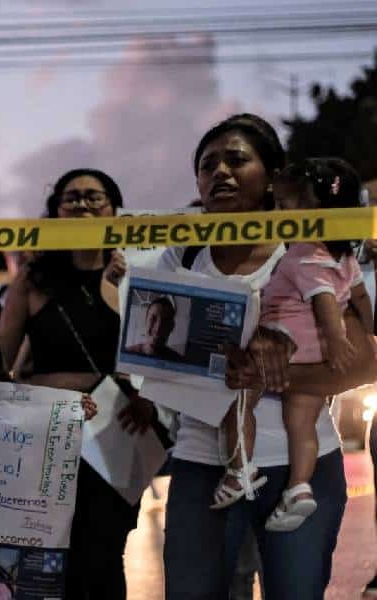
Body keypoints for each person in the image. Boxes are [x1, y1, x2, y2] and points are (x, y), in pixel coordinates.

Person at [159, 113, 376, 600]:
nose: (220, 173)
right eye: (207, 165)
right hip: (202, 465)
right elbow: (154, 360)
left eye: (237, 160)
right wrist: (229, 359)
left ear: (273, 177)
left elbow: (364, 364)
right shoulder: (179, 258)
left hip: (302, 467)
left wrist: (275, 372)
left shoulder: (314, 251)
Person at [0, 168, 148, 599]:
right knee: (46, 555)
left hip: (115, 432)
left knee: (102, 555)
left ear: (115, 210)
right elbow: (1, 358)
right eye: (71, 198)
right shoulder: (33, 279)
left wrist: (125, 285)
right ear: (56, 211)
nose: (82, 205)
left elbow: (152, 352)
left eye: (94, 197)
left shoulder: (138, 273)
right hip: (45, 433)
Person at [213, 158, 376, 532]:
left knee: (241, 398)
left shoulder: (302, 253)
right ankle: (299, 487)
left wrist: (338, 341)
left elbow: (322, 300)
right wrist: (366, 331)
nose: (281, 212)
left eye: (287, 205)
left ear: (313, 209)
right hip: (316, 352)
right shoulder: (344, 256)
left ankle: (239, 470)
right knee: (301, 423)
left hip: (288, 339)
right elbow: (360, 298)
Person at [125, 295, 184, 360]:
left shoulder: (178, 361)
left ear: (171, 327)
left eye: (165, 322)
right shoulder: (127, 354)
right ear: (145, 321)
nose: (158, 328)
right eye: (153, 319)